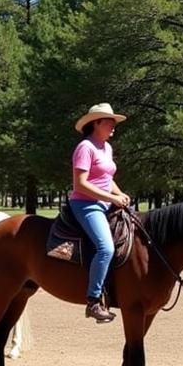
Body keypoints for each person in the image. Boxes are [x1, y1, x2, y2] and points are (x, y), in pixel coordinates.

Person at [69, 103, 131, 324]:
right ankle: (94, 300)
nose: (113, 125)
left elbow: (107, 178)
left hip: (104, 203)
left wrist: (119, 193)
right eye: (108, 121)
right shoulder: (85, 147)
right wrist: (111, 198)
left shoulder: (106, 147)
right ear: (95, 123)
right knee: (106, 248)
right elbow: (80, 184)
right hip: (86, 205)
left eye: (113, 121)